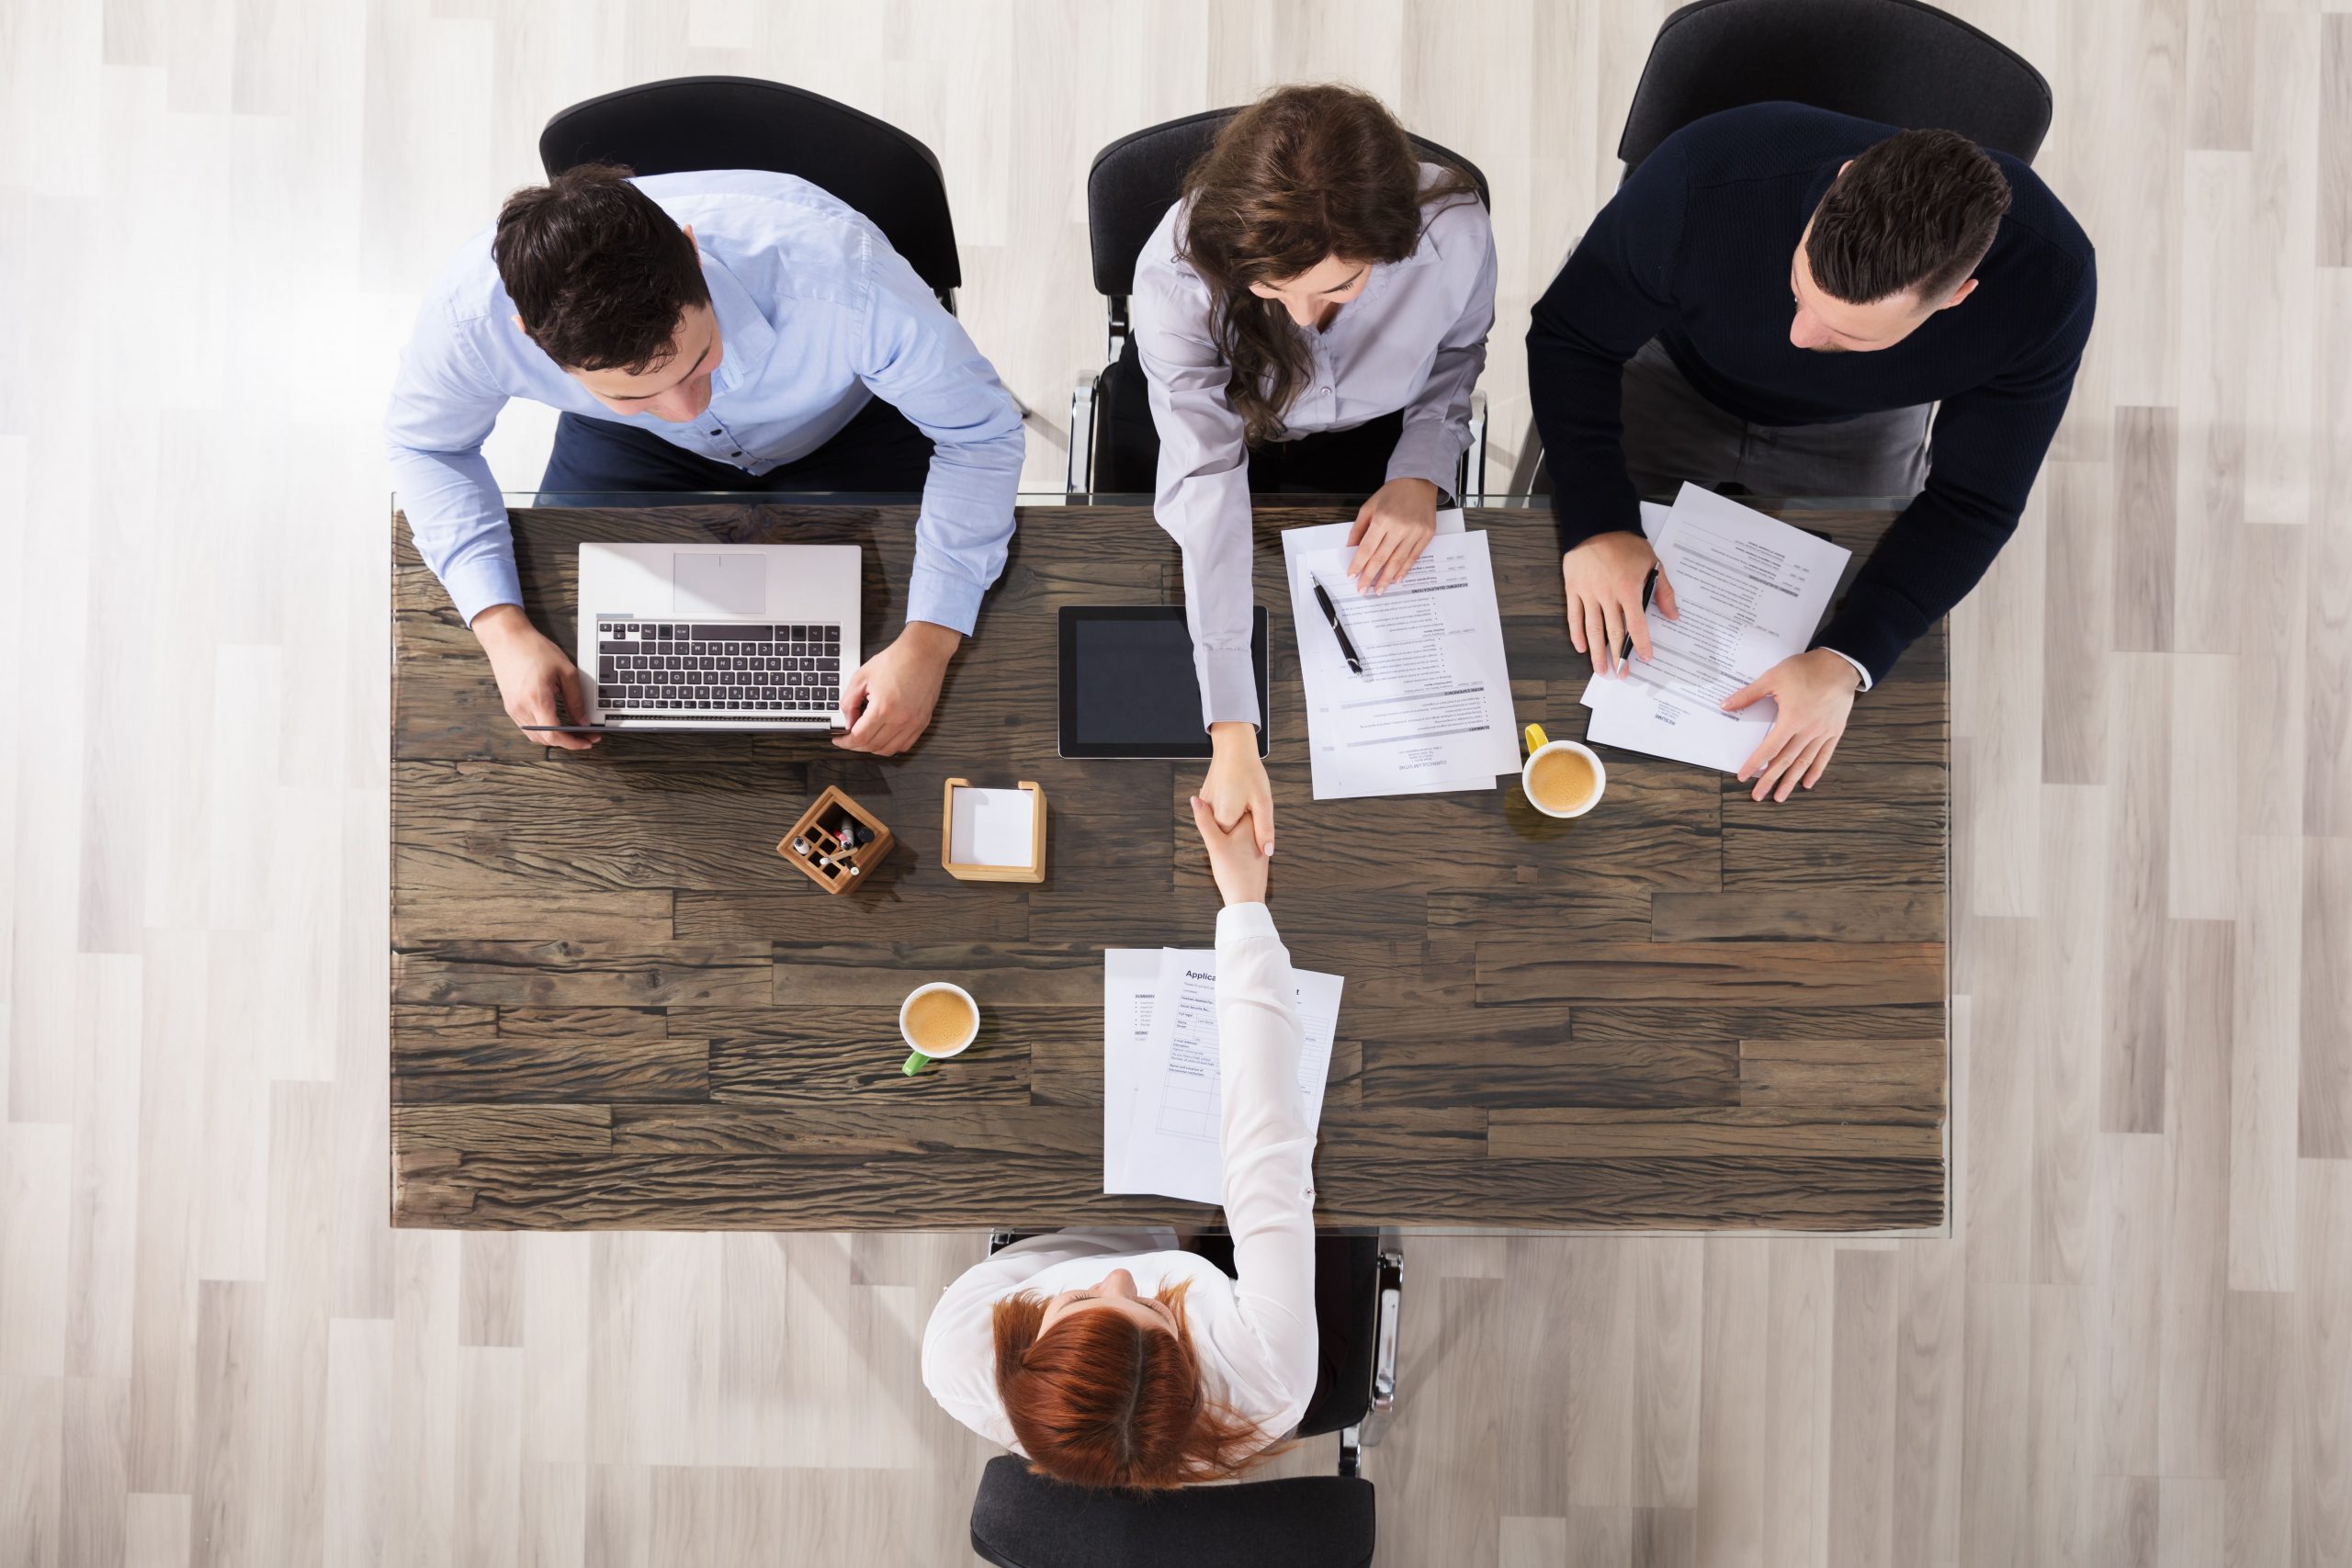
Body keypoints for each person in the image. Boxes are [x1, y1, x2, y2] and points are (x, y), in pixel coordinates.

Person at [1528, 103, 2095, 802]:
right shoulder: (1702, 176)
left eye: (1848, 334)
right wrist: (1598, 519)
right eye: (1800, 290)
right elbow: (1570, 338)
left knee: (1839, 673)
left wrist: (1847, 659)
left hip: (1858, 425)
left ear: (1956, 297)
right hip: (1668, 369)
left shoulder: (2050, 284)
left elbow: (1974, 501)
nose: (1798, 337)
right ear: (1839, 184)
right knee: (1552, 614)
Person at [386, 164, 1027, 757]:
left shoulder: (842, 275)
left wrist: (929, 640)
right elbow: (426, 444)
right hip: (631, 447)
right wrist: (502, 630)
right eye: (632, 390)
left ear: (691, 252)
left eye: (700, 359)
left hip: (851, 424)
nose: (686, 408)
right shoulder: (472, 319)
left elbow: (980, 435)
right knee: (586, 665)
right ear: (530, 337)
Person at [1131, 84, 1498, 855]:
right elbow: (1205, 478)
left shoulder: (1453, 233)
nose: (1302, 316)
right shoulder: (1175, 276)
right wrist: (1233, 725)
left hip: (1386, 442)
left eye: (1339, 286)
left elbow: (1457, 357)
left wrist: (1420, 471)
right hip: (1240, 440)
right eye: (1271, 289)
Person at [921, 795, 1317, 1489]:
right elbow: (1268, 1146)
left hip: (1075, 1227)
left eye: (1077, 1303)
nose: (1121, 1280)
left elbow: (1057, 1263)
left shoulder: (960, 1354)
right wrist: (1245, 903)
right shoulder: (1270, 1376)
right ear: (1190, 1365)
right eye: (1157, 1309)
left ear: (1021, 1365)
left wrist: (1138, 1254)